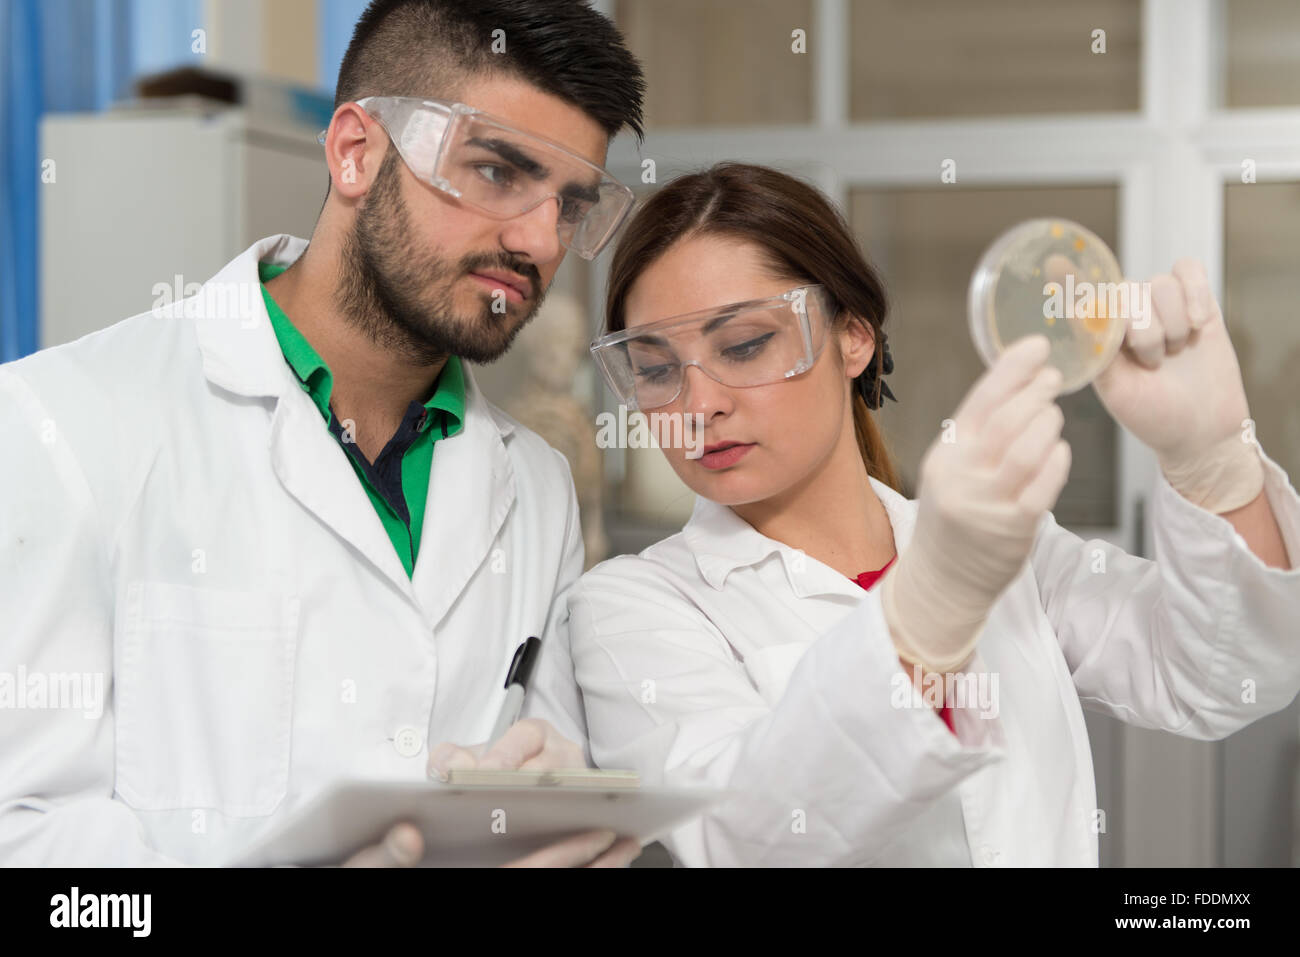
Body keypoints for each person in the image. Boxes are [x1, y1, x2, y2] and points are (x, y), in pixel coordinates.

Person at [0, 0, 645, 867]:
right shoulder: (62, 422)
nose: (536, 241)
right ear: (355, 152)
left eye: (569, 207)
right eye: (496, 171)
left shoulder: (536, 488)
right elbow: (23, 832)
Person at [570, 162, 1300, 866]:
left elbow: (1224, 679)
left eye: (745, 343)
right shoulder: (632, 607)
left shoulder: (1015, 555)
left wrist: (1214, 464)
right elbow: (742, 837)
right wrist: (929, 610)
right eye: (657, 368)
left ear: (853, 336)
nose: (699, 407)